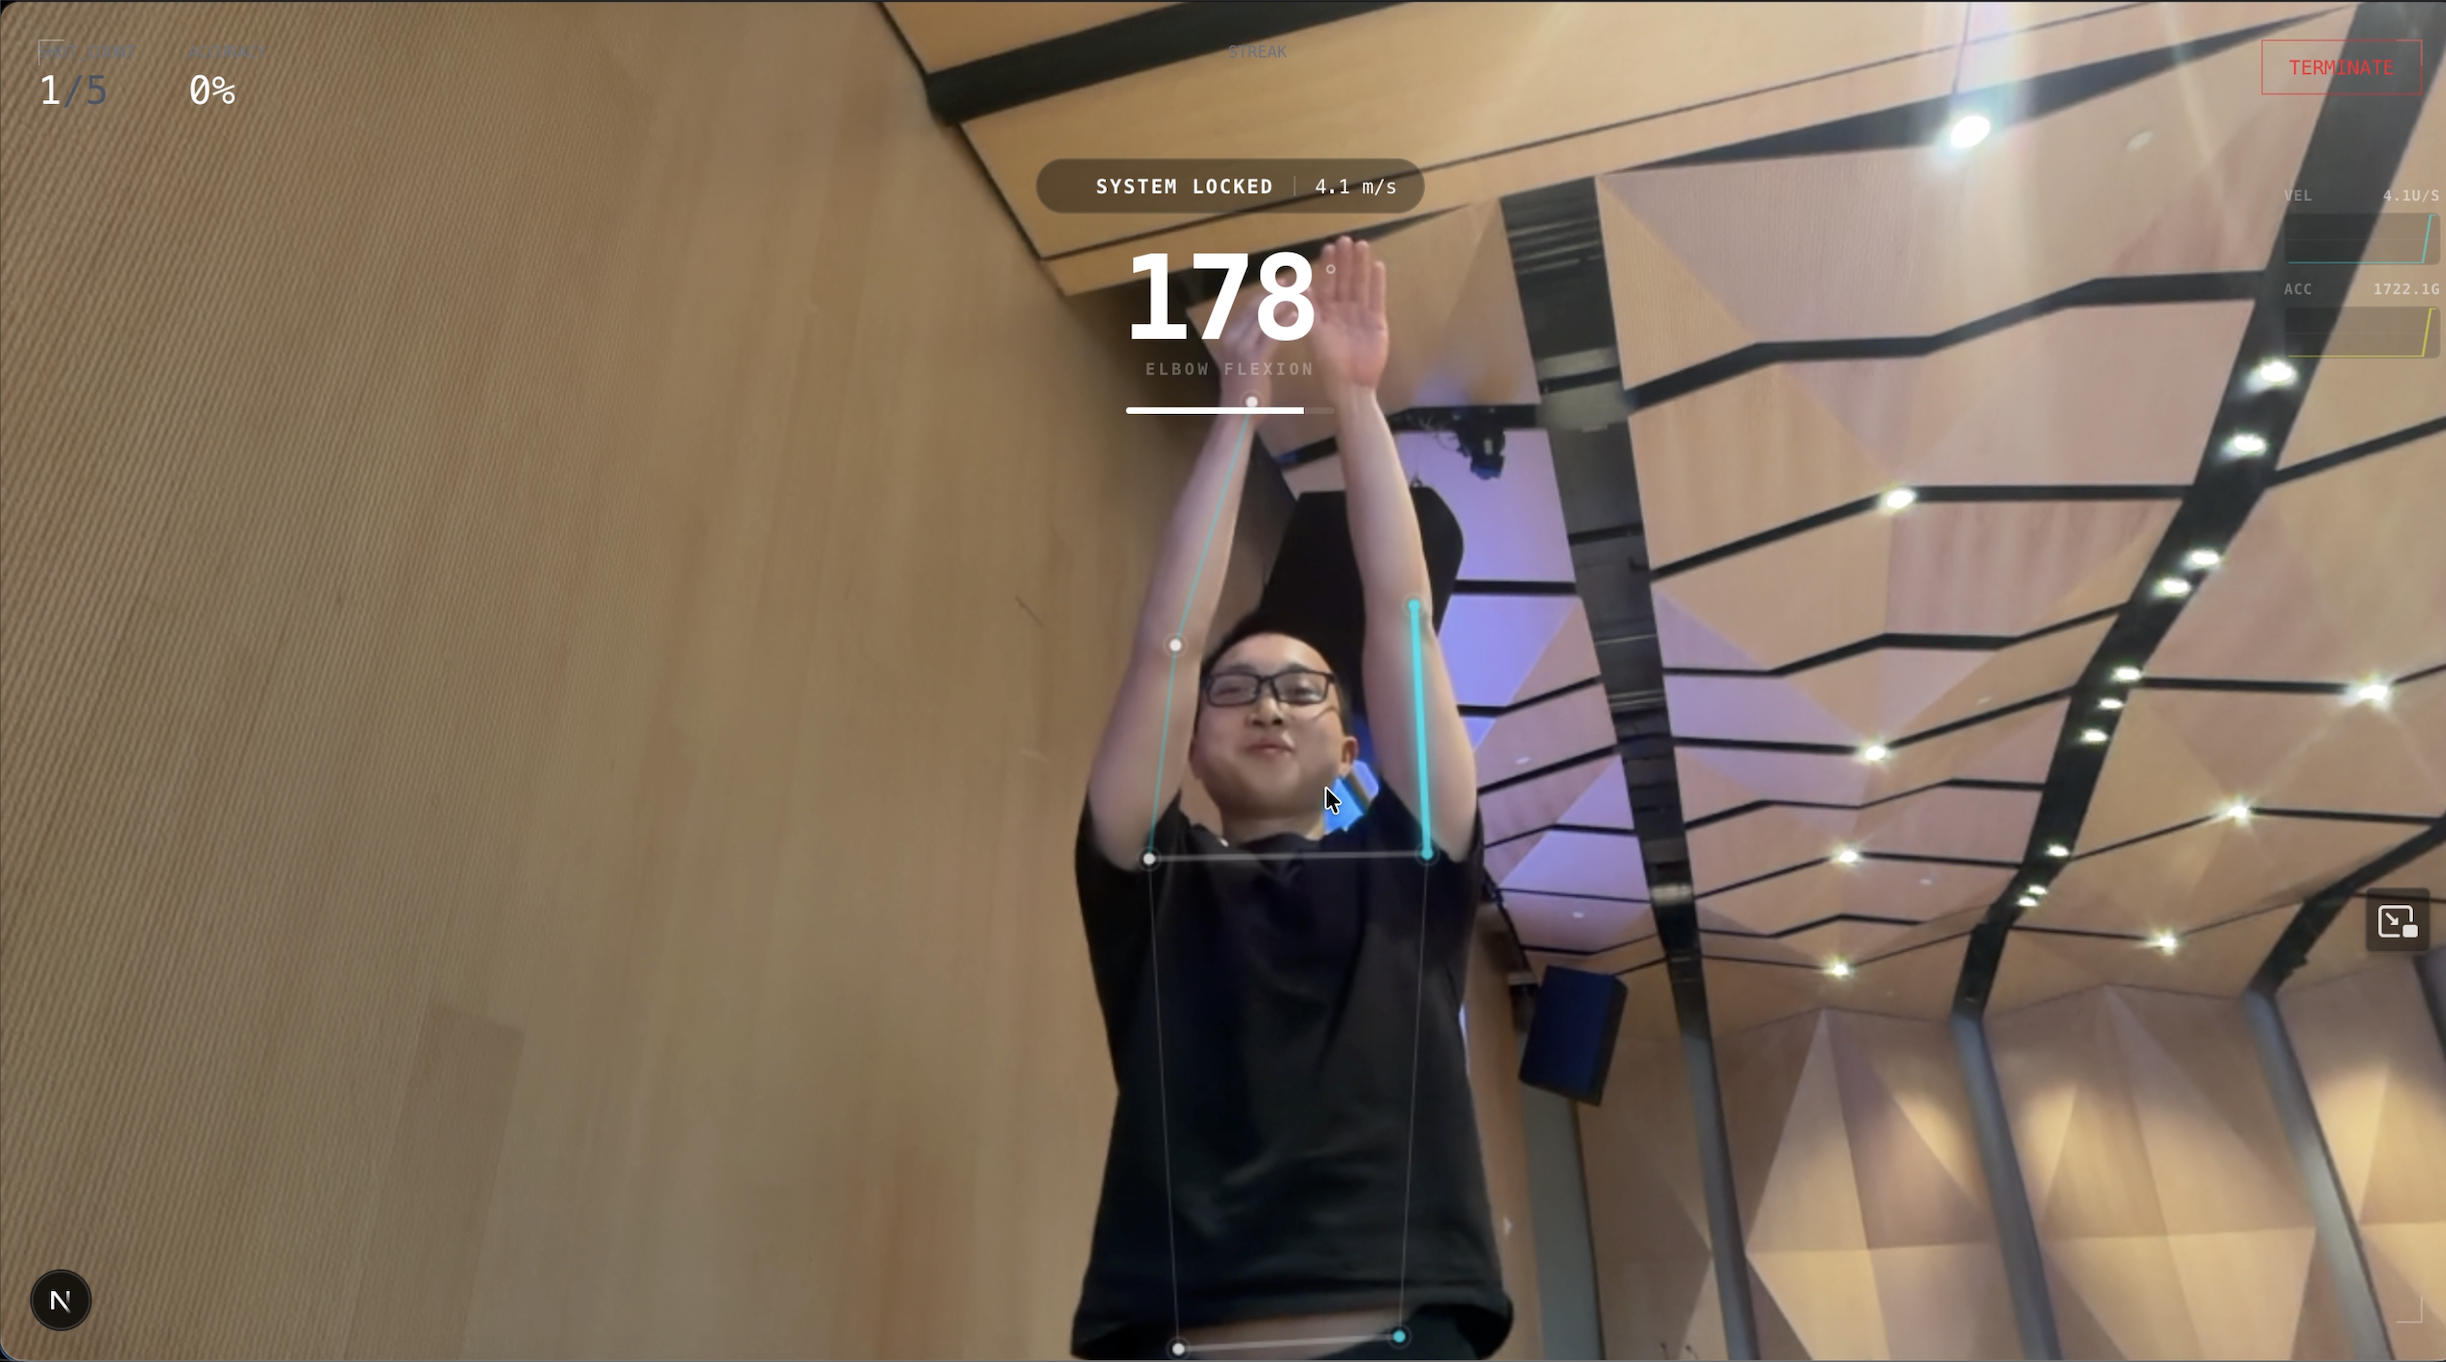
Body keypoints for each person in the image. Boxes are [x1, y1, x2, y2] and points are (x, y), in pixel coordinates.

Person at [1071, 238, 1512, 1361]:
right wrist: (1240, 407)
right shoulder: (1150, 881)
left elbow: (1403, 624)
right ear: (1192, 741)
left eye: (1301, 688)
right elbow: (1164, 649)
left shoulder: (1412, 866)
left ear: (1349, 743)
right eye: (1234, 689)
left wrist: (1355, 400)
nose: (1267, 703)